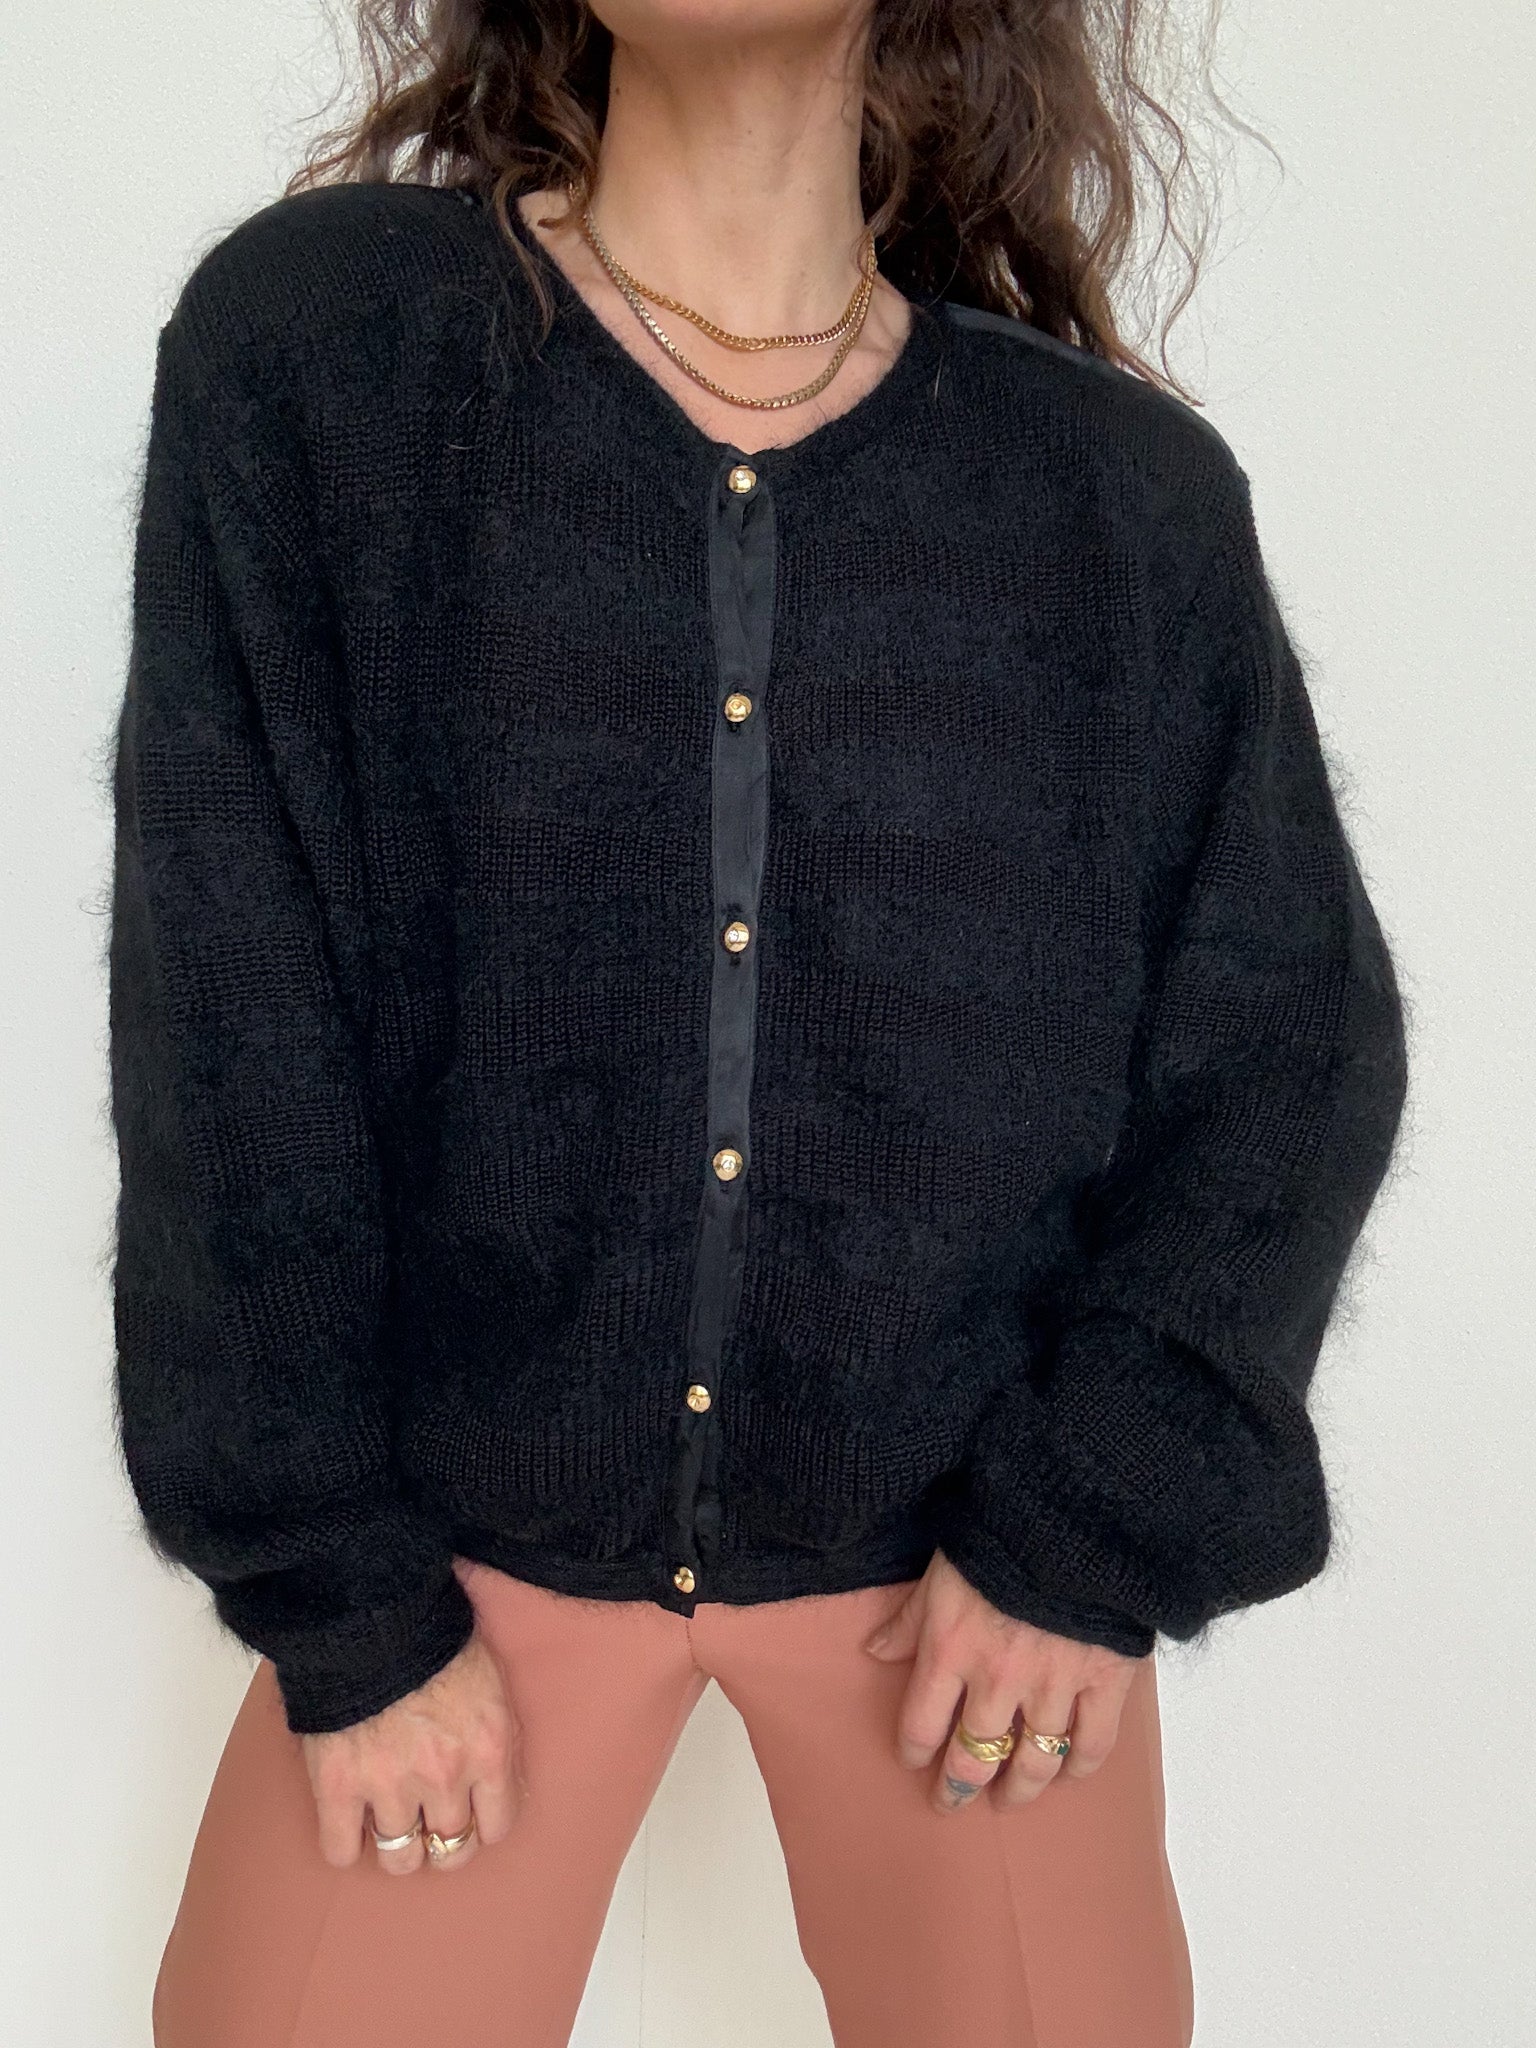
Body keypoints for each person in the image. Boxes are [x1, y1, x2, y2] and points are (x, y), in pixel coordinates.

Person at [106, 2, 1409, 2044]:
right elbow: (229, 991)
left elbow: (1289, 1049)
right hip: (449, 1566)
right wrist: (337, 1595)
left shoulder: (1116, 498)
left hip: (972, 1590)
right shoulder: (333, 354)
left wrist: (1093, 1529)